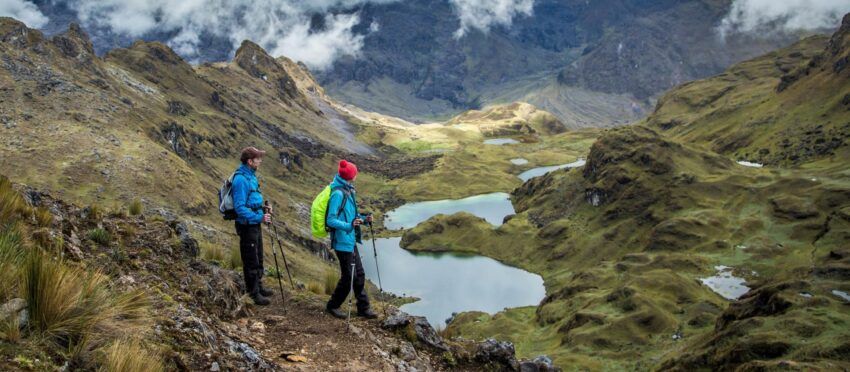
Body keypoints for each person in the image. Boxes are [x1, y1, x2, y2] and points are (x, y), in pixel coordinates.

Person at [325, 160, 378, 319]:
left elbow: (352, 217)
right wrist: (349, 226)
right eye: (355, 172)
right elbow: (330, 220)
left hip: (350, 240)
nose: (357, 174)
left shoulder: (349, 191)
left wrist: (364, 218)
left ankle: (363, 308)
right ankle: (333, 305)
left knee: (359, 274)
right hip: (342, 242)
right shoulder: (338, 194)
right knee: (349, 277)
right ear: (350, 176)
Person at [232, 146, 274, 306]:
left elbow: (252, 199)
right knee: (251, 259)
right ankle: (253, 293)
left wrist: (263, 208)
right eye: (258, 159)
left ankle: (259, 286)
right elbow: (240, 208)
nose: (260, 161)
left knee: (259, 256)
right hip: (247, 225)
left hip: (255, 222)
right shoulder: (240, 180)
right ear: (250, 161)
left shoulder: (251, 176)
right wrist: (259, 217)